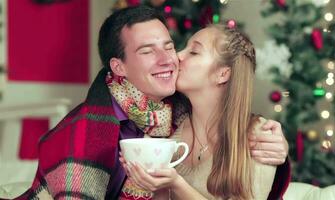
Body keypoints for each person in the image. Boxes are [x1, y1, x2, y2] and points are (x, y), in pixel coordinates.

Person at [16, 6, 289, 199]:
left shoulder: (174, 113)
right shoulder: (85, 129)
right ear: (119, 67)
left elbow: (232, 121)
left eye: (170, 46)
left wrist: (278, 148)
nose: (172, 58)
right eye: (147, 51)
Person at [121, 23, 291, 200]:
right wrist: (155, 186)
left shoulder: (259, 138)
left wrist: (176, 184)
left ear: (222, 74)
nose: (178, 55)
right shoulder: (169, 129)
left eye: (193, 52)